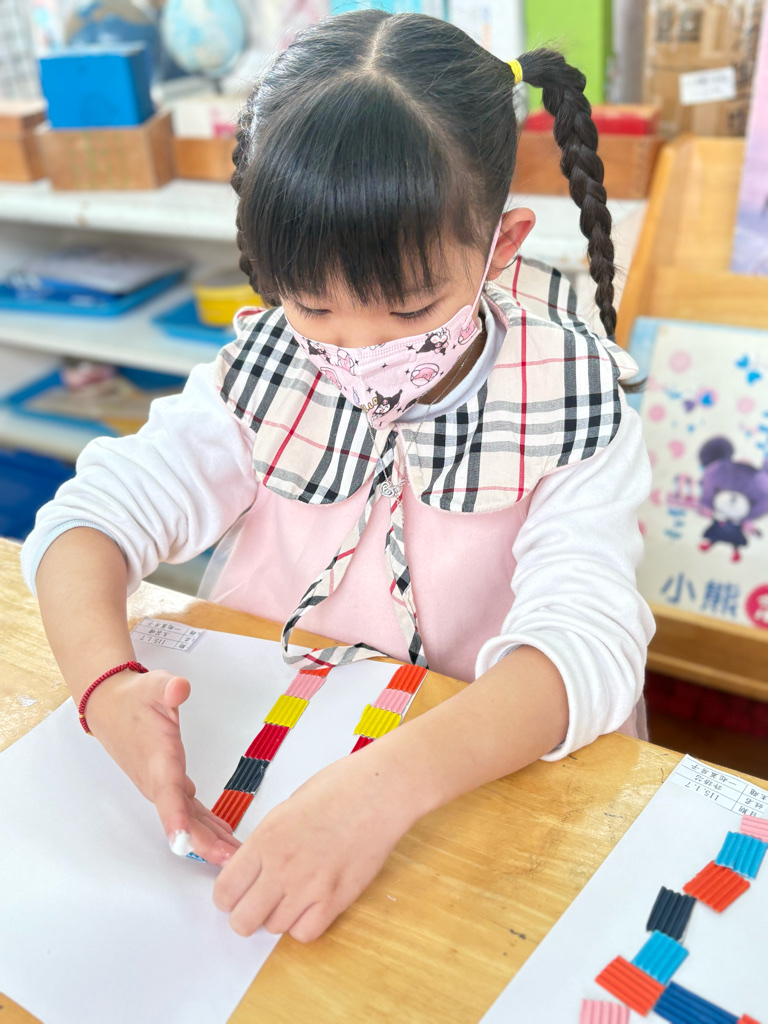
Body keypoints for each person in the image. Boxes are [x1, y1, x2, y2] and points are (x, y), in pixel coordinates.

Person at [22, 10, 654, 943]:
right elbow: (91, 520)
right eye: (314, 305)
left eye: (411, 306)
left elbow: (586, 646)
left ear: (501, 245)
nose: (357, 349)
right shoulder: (269, 369)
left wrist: (382, 790)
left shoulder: (571, 400)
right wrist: (107, 685)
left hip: (475, 785)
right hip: (277, 739)